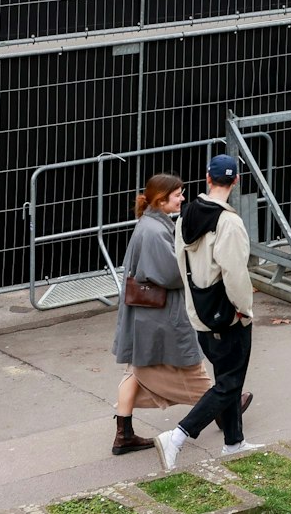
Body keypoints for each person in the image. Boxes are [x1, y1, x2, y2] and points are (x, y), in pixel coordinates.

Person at [155, 154, 260, 468]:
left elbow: (179, 262)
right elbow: (235, 274)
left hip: (199, 313)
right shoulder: (229, 222)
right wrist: (244, 310)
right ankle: (178, 435)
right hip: (229, 316)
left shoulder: (185, 216)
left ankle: (234, 443)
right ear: (236, 182)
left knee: (227, 379)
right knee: (230, 383)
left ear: (207, 178)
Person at [110, 174, 220, 456]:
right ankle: (223, 405)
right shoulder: (155, 231)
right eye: (178, 195)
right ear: (161, 200)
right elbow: (171, 274)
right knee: (189, 361)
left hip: (143, 312)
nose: (182, 198)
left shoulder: (148, 225)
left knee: (135, 370)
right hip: (158, 312)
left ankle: (124, 434)